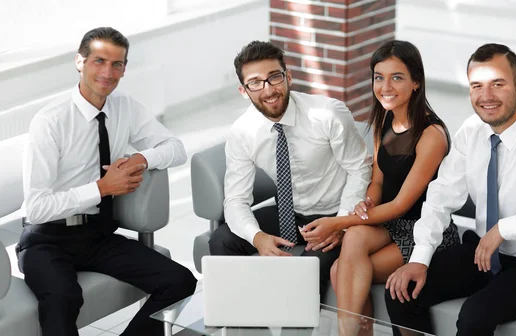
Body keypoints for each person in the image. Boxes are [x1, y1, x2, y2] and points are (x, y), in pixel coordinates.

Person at [383, 43, 516, 336]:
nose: (486, 97)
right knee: (400, 291)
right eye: (477, 86)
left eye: (498, 85)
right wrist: (419, 259)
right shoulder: (471, 131)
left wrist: (506, 228)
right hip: (480, 252)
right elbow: (441, 196)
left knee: (474, 317)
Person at [16, 27, 197, 336]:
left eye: (117, 64)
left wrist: (141, 158)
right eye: (99, 61)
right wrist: (101, 188)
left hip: (97, 235)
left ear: (124, 69)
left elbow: (176, 149)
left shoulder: (124, 107)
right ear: (79, 62)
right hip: (47, 240)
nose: (108, 72)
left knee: (180, 281)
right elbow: (36, 208)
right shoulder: (51, 121)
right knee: (63, 298)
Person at [300, 40, 460, 335]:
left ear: (416, 83)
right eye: (379, 77)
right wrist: (366, 204)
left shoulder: (431, 134)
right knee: (356, 236)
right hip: (388, 222)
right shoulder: (384, 118)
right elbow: (378, 180)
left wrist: (339, 222)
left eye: (396, 77)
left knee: (340, 270)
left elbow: (401, 204)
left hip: (423, 230)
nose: (385, 86)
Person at [208, 41, 372, 301]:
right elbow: (236, 200)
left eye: (274, 77)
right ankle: (242, 320)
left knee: (302, 276)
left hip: (333, 215)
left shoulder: (327, 114)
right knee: (221, 240)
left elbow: (360, 169)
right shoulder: (243, 132)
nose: (269, 89)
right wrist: (257, 237)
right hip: (290, 214)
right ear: (243, 91)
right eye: (256, 82)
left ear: (289, 77)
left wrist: (341, 223)